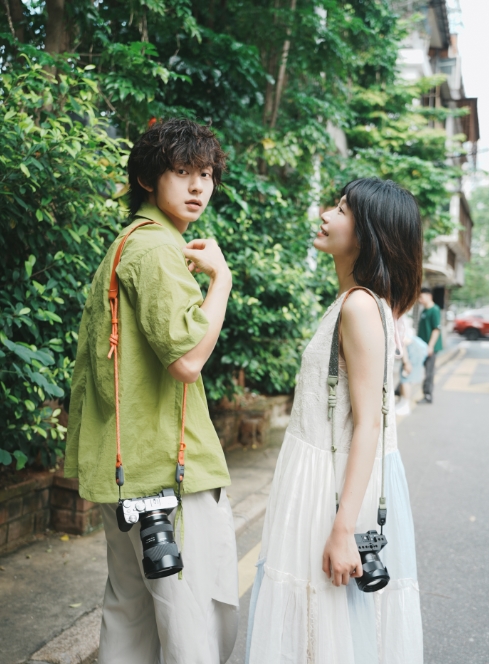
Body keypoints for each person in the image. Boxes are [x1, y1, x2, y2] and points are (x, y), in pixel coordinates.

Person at [65, 119, 239, 664]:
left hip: (125, 468)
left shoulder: (126, 245)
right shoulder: (159, 249)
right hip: (168, 469)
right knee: (190, 620)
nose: (198, 186)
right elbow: (187, 360)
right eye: (182, 172)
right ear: (147, 178)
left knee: (128, 612)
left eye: (206, 174)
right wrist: (222, 280)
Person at [246, 178, 424, 664]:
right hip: (325, 475)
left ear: (368, 234)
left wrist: (344, 530)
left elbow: (369, 424)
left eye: (342, 210)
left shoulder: (360, 306)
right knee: (323, 622)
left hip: (330, 485)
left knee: (324, 622)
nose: (326, 214)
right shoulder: (356, 301)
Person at [396, 316, 428, 416]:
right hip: (413, 349)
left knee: (406, 378)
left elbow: (403, 343)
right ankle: (403, 403)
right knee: (404, 378)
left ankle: (405, 405)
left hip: (410, 350)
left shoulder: (396, 320)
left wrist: (406, 362)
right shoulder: (400, 318)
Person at [417, 287, 443, 404]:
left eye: (421, 297)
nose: (419, 300)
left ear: (429, 296)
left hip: (429, 347)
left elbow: (436, 329)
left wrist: (431, 346)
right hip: (422, 346)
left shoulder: (435, 310)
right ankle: (399, 390)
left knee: (429, 371)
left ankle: (428, 395)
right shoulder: (424, 311)